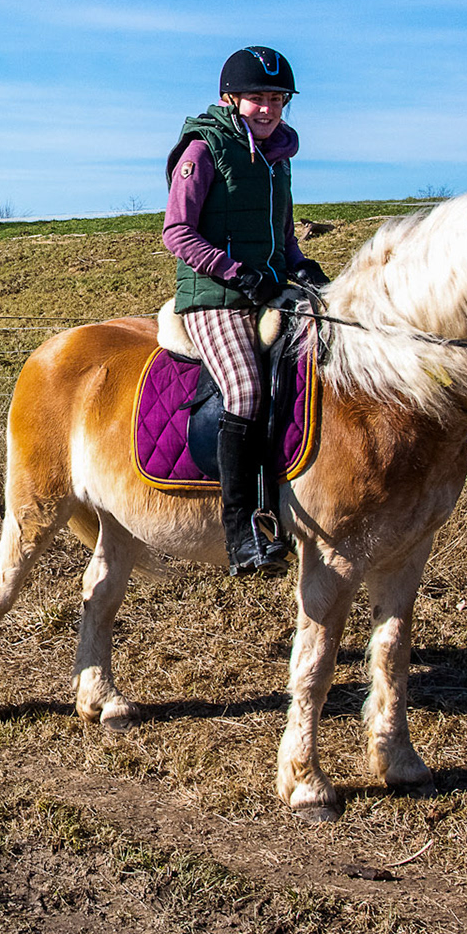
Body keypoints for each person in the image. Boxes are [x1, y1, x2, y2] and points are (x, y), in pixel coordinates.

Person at [162, 46, 328, 576]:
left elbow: (281, 230)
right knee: (247, 390)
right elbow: (176, 233)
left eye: (277, 98)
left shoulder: (279, 154)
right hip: (214, 295)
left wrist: (301, 267)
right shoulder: (203, 149)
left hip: (269, 288)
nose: (268, 108)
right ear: (230, 98)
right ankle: (241, 535)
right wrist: (235, 272)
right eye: (257, 98)